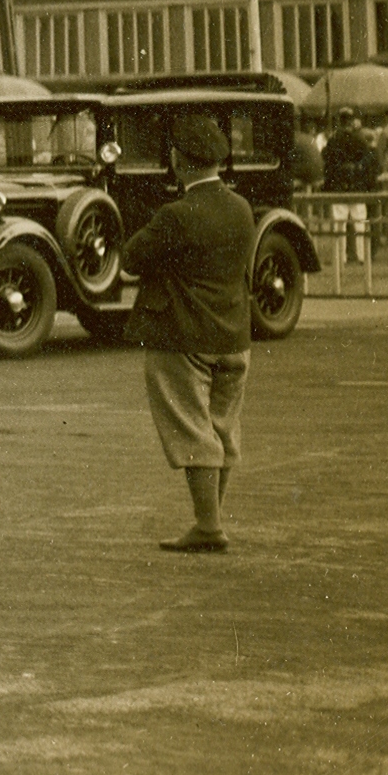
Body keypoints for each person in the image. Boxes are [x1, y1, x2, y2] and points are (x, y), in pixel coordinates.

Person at [120, 110, 258, 554]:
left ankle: (208, 526)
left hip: (183, 337)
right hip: (234, 336)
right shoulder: (241, 208)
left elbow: (132, 259)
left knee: (193, 431)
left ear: (179, 161)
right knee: (221, 429)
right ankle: (208, 520)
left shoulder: (176, 214)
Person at [320, 108, 380, 193]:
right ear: (351, 122)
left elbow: (326, 158)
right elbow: (369, 159)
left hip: (337, 184)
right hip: (357, 183)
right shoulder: (359, 139)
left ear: (340, 122)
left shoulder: (333, 140)